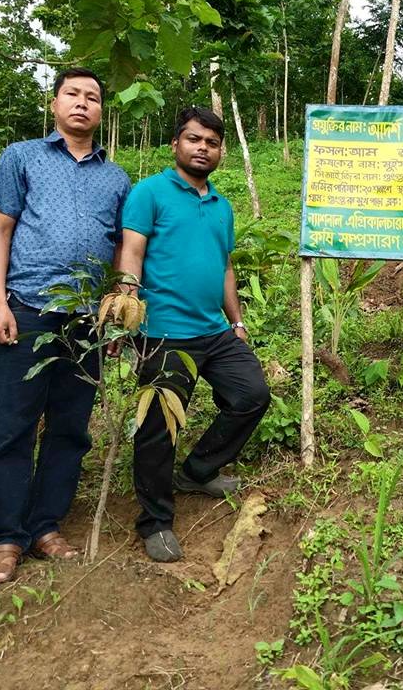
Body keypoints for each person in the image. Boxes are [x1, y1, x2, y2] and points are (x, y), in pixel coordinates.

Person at [0, 68, 131, 587]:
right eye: (73, 94)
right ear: (55, 103)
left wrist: (116, 312)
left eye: (93, 97)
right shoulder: (22, 157)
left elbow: (120, 248)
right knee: (14, 426)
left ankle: (46, 527)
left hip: (87, 321)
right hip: (28, 310)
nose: (83, 103)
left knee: (70, 428)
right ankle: (7, 539)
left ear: (102, 110)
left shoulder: (117, 178)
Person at [117, 106, 270, 563]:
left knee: (251, 394)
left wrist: (236, 322)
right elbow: (132, 251)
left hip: (213, 330)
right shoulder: (150, 193)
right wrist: (126, 304)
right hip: (163, 332)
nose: (203, 148)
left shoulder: (222, 206)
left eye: (212, 142)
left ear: (221, 151)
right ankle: (155, 521)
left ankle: (198, 471)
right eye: (194, 139)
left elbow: (224, 267)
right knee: (158, 428)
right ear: (176, 144)